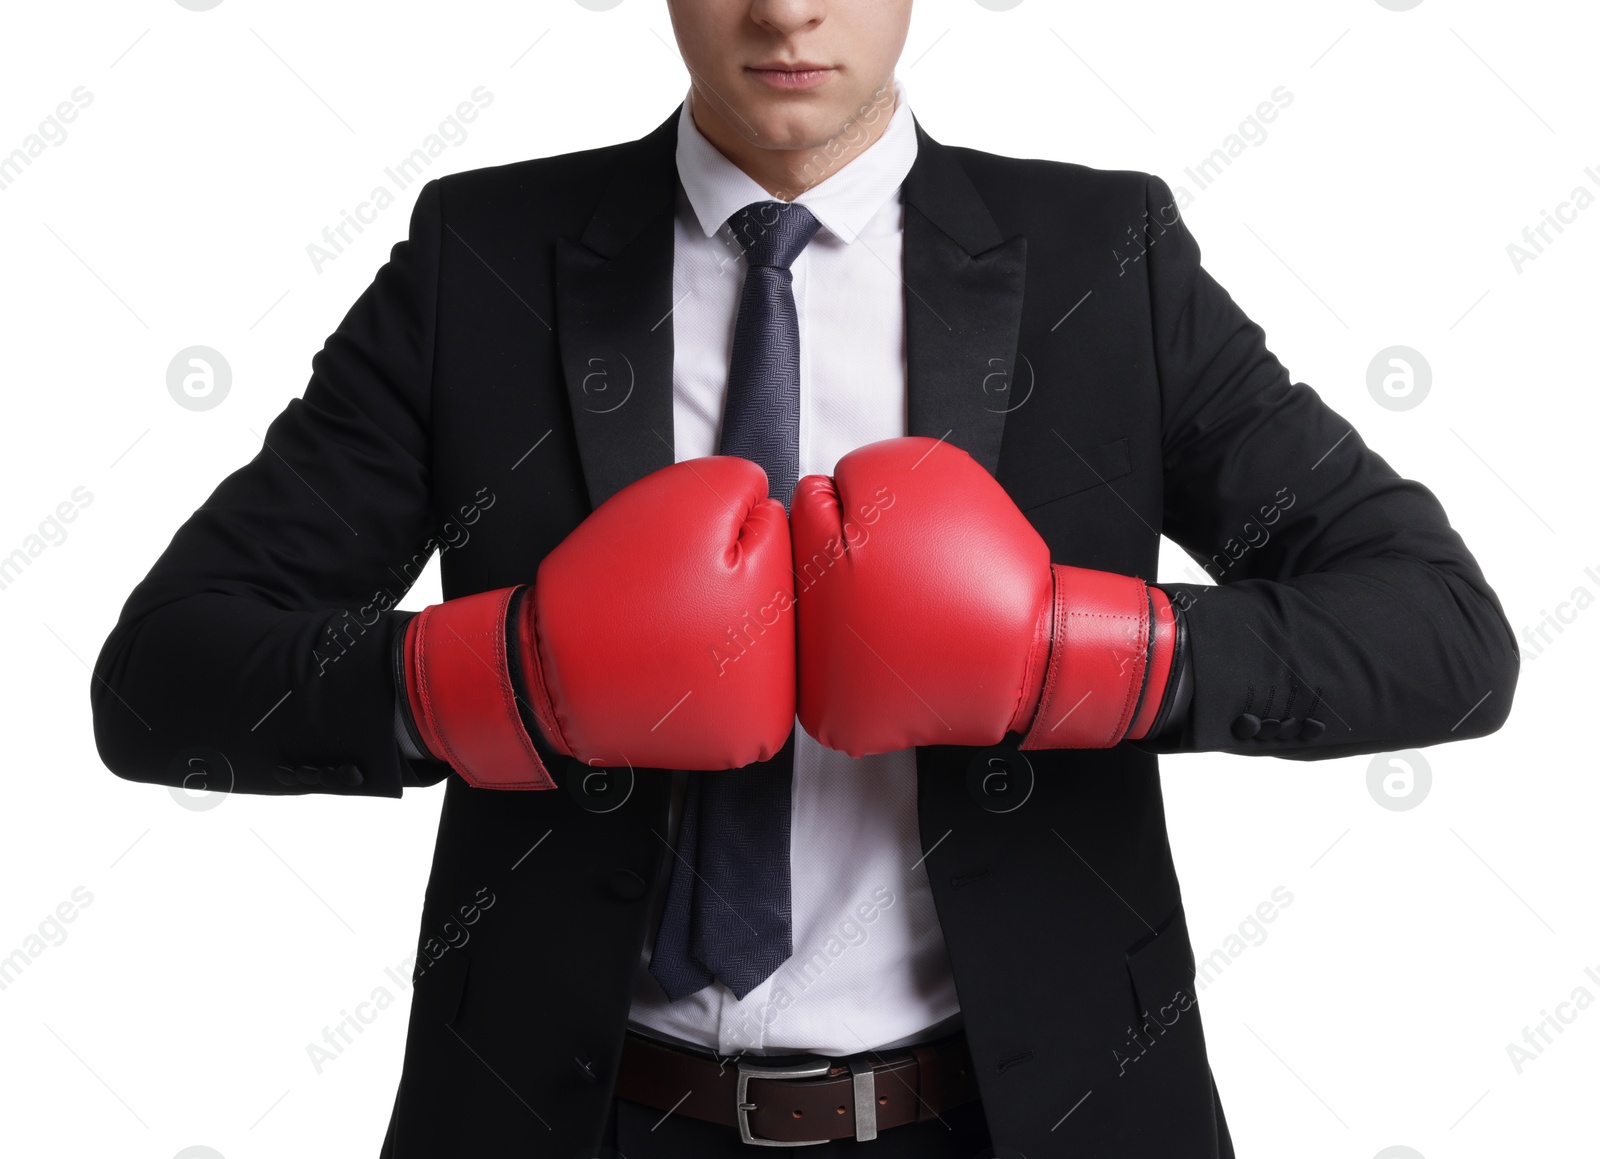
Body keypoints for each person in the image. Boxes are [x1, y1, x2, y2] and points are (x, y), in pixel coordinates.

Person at [90, 2, 1519, 1156]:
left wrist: (1077, 658)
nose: (785, 9)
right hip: (577, 1111)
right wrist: (503, 679)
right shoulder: (489, 258)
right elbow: (166, 677)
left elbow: (1441, 631)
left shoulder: (1104, 258)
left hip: (1020, 1111)